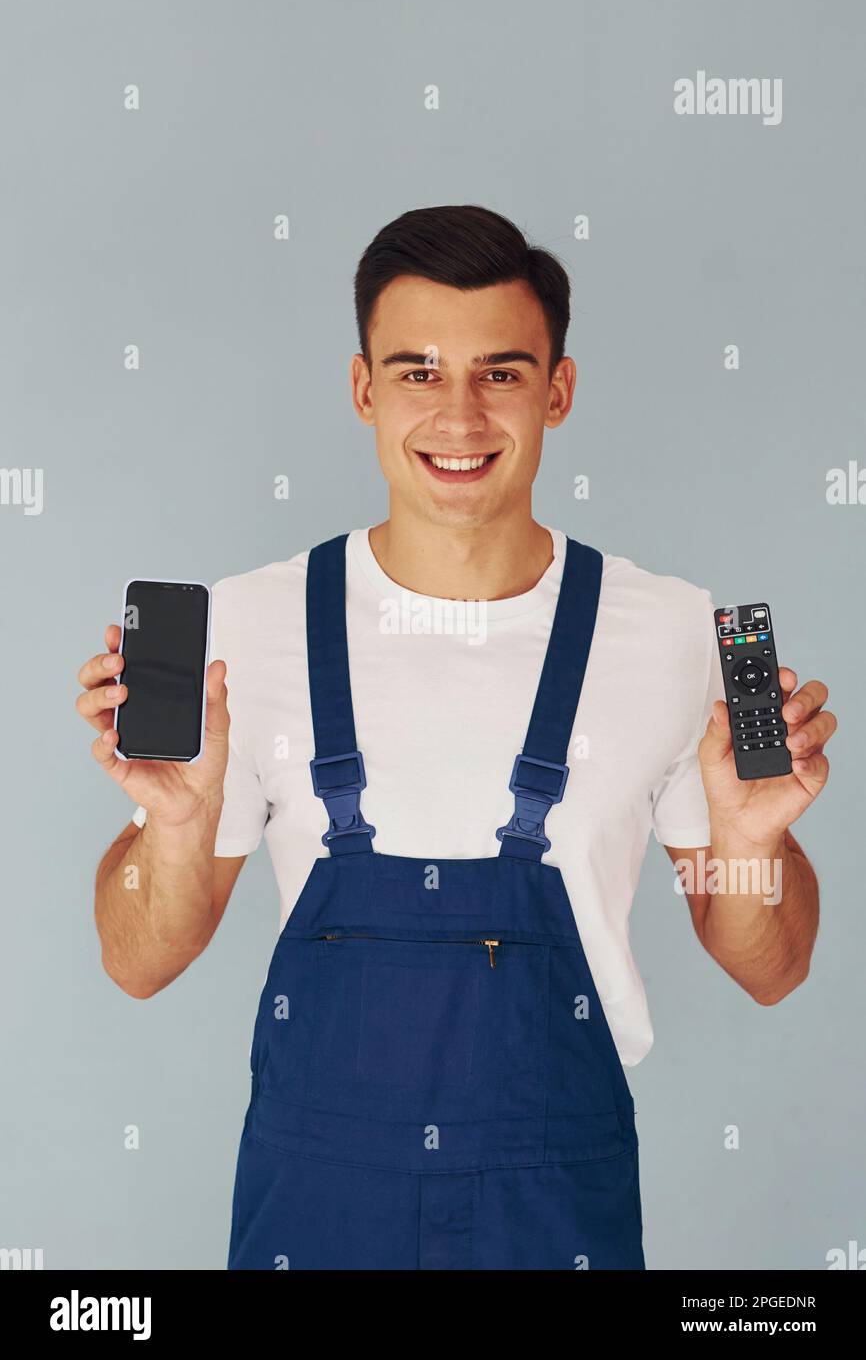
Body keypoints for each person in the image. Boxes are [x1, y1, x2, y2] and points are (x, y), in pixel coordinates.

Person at [75, 205, 834, 1270]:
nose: (459, 415)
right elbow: (137, 962)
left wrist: (753, 845)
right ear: (364, 390)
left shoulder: (668, 632)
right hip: (319, 1212)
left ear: (558, 391)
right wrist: (173, 827)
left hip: (554, 1212)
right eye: (418, 372)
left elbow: (773, 967)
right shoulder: (246, 630)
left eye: (501, 373)